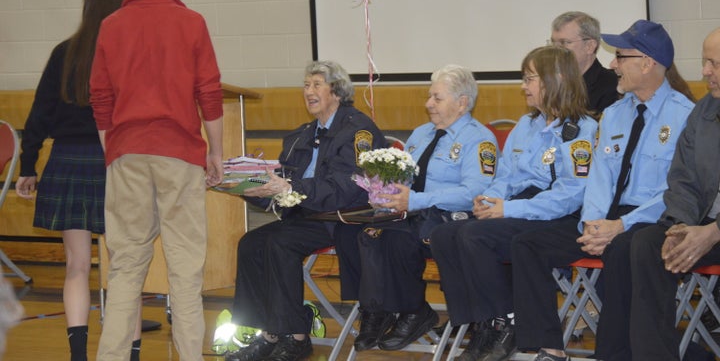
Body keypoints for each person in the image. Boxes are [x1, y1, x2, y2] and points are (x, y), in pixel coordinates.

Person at [510, 20, 695, 361]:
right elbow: (599, 176)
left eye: (620, 57)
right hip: (605, 218)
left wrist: (620, 226)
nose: (612, 64)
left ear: (647, 63)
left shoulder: (685, 116)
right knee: (528, 244)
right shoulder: (613, 114)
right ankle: (547, 347)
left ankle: (615, 353)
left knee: (625, 247)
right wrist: (592, 223)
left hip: (650, 219)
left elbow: (677, 191)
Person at [89, 0, 224, 361]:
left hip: (126, 152)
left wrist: (114, 151)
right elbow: (209, 92)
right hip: (179, 153)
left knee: (125, 268)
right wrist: (215, 152)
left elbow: (100, 97)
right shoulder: (192, 22)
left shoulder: (110, 26)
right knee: (185, 272)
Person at [430, 46, 598, 361]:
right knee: (444, 235)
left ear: (556, 80)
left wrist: (507, 209)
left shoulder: (583, 131)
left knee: (473, 236)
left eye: (530, 78)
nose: (524, 86)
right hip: (517, 208)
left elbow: (568, 196)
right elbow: (507, 175)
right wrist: (490, 198)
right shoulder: (526, 125)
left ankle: (506, 321)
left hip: (555, 217)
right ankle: (479, 324)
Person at [225, 60, 386, 361]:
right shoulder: (302, 134)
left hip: (339, 218)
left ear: (336, 91)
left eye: (316, 85)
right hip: (304, 214)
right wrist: (251, 189)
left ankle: (297, 337)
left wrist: (290, 188)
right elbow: (283, 183)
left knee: (279, 243)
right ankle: (270, 334)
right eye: (306, 85)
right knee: (251, 243)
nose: (308, 91)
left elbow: (348, 186)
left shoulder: (358, 131)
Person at [14, 0, 133, 361]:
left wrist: (28, 167)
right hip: (116, 161)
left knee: (76, 266)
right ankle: (129, 354)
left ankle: (79, 355)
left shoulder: (64, 52)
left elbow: (38, 116)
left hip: (67, 161)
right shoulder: (127, 51)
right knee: (123, 270)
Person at [353, 64, 499, 352]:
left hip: (453, 218)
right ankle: (377, 310)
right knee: (369, 233)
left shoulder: (479, 140)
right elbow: (404, 177)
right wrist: (384, 191)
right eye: (429, 96)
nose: (428, 104)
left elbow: (475, 193)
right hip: (413, 212)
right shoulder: (421, 134)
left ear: (462, 103)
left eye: (437, 98)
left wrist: (416, 200)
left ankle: (413, 311)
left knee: (401, 238)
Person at [629, 27, 720, 360]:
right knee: (646, 243)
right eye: (705, 62)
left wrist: (713, 232)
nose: (705, 71)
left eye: (714, 63)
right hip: (701, 227)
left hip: (714, 230)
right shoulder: (705, 113)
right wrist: (679, 226)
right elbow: (683, 178)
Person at [549, 11, 618, 115]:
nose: (555, 50)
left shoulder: (611, 87)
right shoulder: (551, 84)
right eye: (553, 43)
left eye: (564, 42)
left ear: (590, 46)